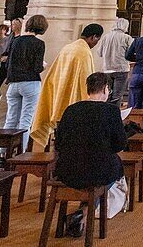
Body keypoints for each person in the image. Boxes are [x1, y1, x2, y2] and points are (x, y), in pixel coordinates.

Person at [53, 73, 130, 237]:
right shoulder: (111, 111)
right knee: (115, 166)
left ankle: (82, 213)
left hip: (67, 171)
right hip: (97, 172)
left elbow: (58, 144)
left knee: (98, 165)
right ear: (105, 89)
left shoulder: (71, 110)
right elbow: (120, 145)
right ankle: (85, 211)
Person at [30, 23, 102, 148]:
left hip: (59, 97)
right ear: (93, 37)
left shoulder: (68, 48)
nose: (95, 44)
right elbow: (87, 81)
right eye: (97, 40)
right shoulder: (84, 52)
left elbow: (54, 74)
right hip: (74, 104)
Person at [2, 15, 48, 153]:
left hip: (14, 83)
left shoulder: (16, 41)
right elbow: (37, 67)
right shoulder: (38, 44)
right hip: (30, 83)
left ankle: (2, 153)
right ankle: (21, 153)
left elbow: (9, 64)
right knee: (25, 121)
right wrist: (44, 66)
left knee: (10, 120)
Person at [95, 17, 133, 105]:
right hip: (121, 69)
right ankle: (114, 115)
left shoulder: (106, 37)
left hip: (107, 69)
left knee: (107, 95)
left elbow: (99, 53)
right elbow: (132, 53)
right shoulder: (126, 37)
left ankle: (106, 114)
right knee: (117, 96)